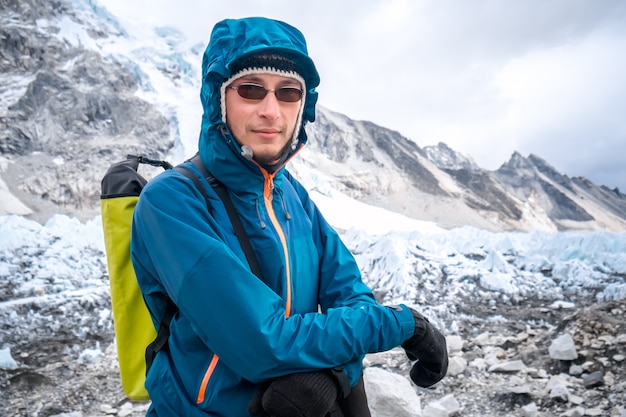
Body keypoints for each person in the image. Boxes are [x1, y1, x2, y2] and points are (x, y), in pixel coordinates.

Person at [130, 16, 448, 417]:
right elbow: (262, 344)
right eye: (250, 89)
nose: (270, 110)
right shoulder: (173, 202)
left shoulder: (291, 194)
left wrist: (328, 378)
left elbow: (352, 299)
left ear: (304, 105)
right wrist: (404, 325)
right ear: (217, 97)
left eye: (288, 93)